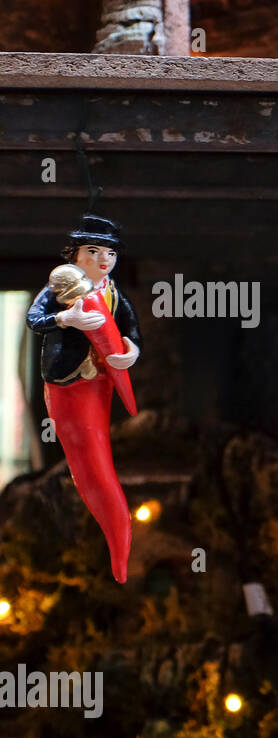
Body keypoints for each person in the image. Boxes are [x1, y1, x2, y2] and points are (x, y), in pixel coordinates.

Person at [27, 215, 141, 583]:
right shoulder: (59, 288)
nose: (104, 259)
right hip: (68, 380)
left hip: (101, 379)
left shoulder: (112, 291)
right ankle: (115, 542)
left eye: (109, 252)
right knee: (89, 458)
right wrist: (66, 320)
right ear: (75, 254)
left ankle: (119, 549)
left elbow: (130, 326)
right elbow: (35, 319)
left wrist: (130, 350)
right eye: (93, 251)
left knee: (100, 450)